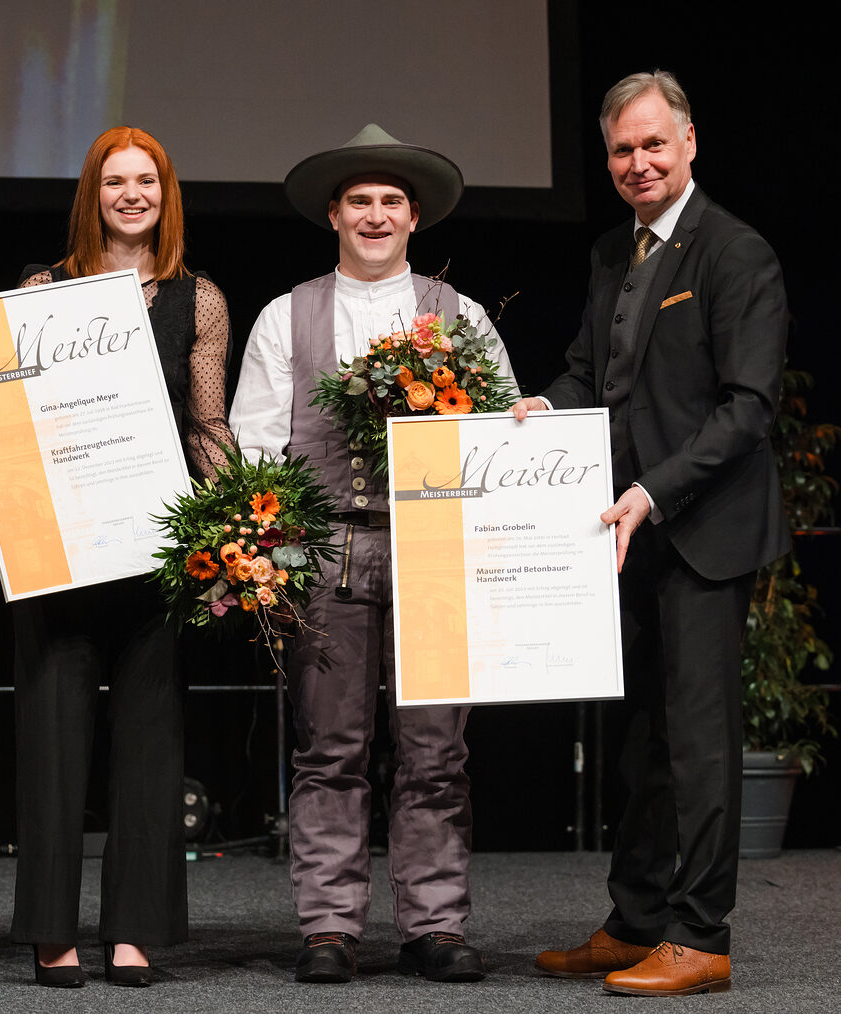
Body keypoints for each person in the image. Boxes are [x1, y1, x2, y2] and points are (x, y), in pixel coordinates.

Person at [522, 70, 789, 997]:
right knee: (639, 743)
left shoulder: (735, 252)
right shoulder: (612, 254)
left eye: (653, 145)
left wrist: (652, 490)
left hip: (700, 531)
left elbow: (747, 409)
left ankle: (700, 935)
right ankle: (635, 921)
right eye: (622, 150)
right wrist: (539, 410)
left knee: (700, 743)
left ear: (689, 142)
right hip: (625, 536)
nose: (638, 163)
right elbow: (591, 373)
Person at [231, 125, 514, 985]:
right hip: (329, 548)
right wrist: (273, 551)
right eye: (360, 200)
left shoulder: (458, 317)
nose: (376, 214)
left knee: (437, 748)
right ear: (333, 214)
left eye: (391, 200)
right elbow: (254, 445)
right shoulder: (289, 314)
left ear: (415, 216)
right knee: (330, 746)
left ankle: (433, 922)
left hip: (434, 549)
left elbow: (500, 436)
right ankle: (328, 924)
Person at [0, 126, 233, 988]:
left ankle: (136, 928)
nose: (132, 194)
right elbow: (9, 411)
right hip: (60, 553)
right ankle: (50, 929)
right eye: (115, 181)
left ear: (166, 191)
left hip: (155, 554)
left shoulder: (202, 298)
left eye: (146, 180)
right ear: (93, 194)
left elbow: (208, 423)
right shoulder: (44, 288)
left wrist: (228, 532)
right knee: (52, 743)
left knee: (150, 748)